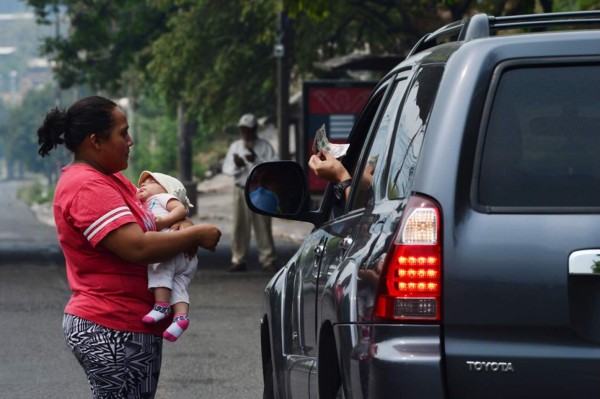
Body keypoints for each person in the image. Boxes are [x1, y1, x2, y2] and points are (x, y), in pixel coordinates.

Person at [36, 95, 221, 398]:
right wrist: (195, 235)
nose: (130, 141)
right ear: (95, 141)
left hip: (127, 324)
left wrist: (180, 226)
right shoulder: (88, 186)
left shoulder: (112, 180)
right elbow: (137, 247)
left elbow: (151, 223)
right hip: (112, 324)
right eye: (123, 133)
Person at [137, 170, 198, 342]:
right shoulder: (146, 202)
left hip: (171, 248)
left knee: (158, 267)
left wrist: (164, 221)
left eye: (151, 182)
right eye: (142, 183)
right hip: (185, 256)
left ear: (167, 189)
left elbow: (180, 210)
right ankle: (180, 318)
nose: (144, 184)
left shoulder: (160, 199)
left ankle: (162, 305)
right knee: (179, 285)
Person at [222, 113, 278, 272]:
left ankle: (268, 259)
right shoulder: (236, 146)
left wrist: (255, 160)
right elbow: (227, 169)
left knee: (263, 225)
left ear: (255, 130)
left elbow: (273, 166)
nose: (246, 133)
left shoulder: (264, 146)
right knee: (240, 225)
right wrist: (237, 165)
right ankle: (238, 258)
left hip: (259, 189)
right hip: (240, 189)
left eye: (249, 130)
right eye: (243, 130)